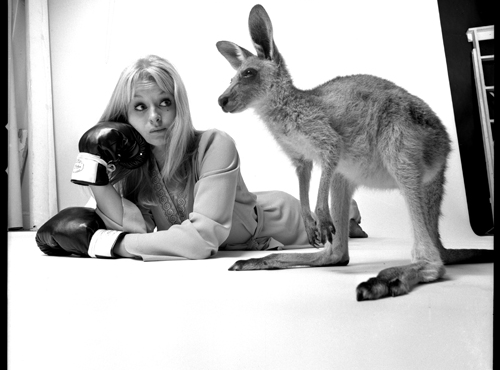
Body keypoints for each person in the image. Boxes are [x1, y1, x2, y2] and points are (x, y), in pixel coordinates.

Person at [36, 55, 365, 261]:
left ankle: (349, 212)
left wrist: (111, 245)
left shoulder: (214, 145)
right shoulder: (136, 167)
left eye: (164, 102)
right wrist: (96, 174)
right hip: (233, 213)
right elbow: (137, 227)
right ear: (125, 115)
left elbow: (200, 241)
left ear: (178, 105)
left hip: (280, 218)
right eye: (140, 107)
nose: (155, 116)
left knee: (337, 222)